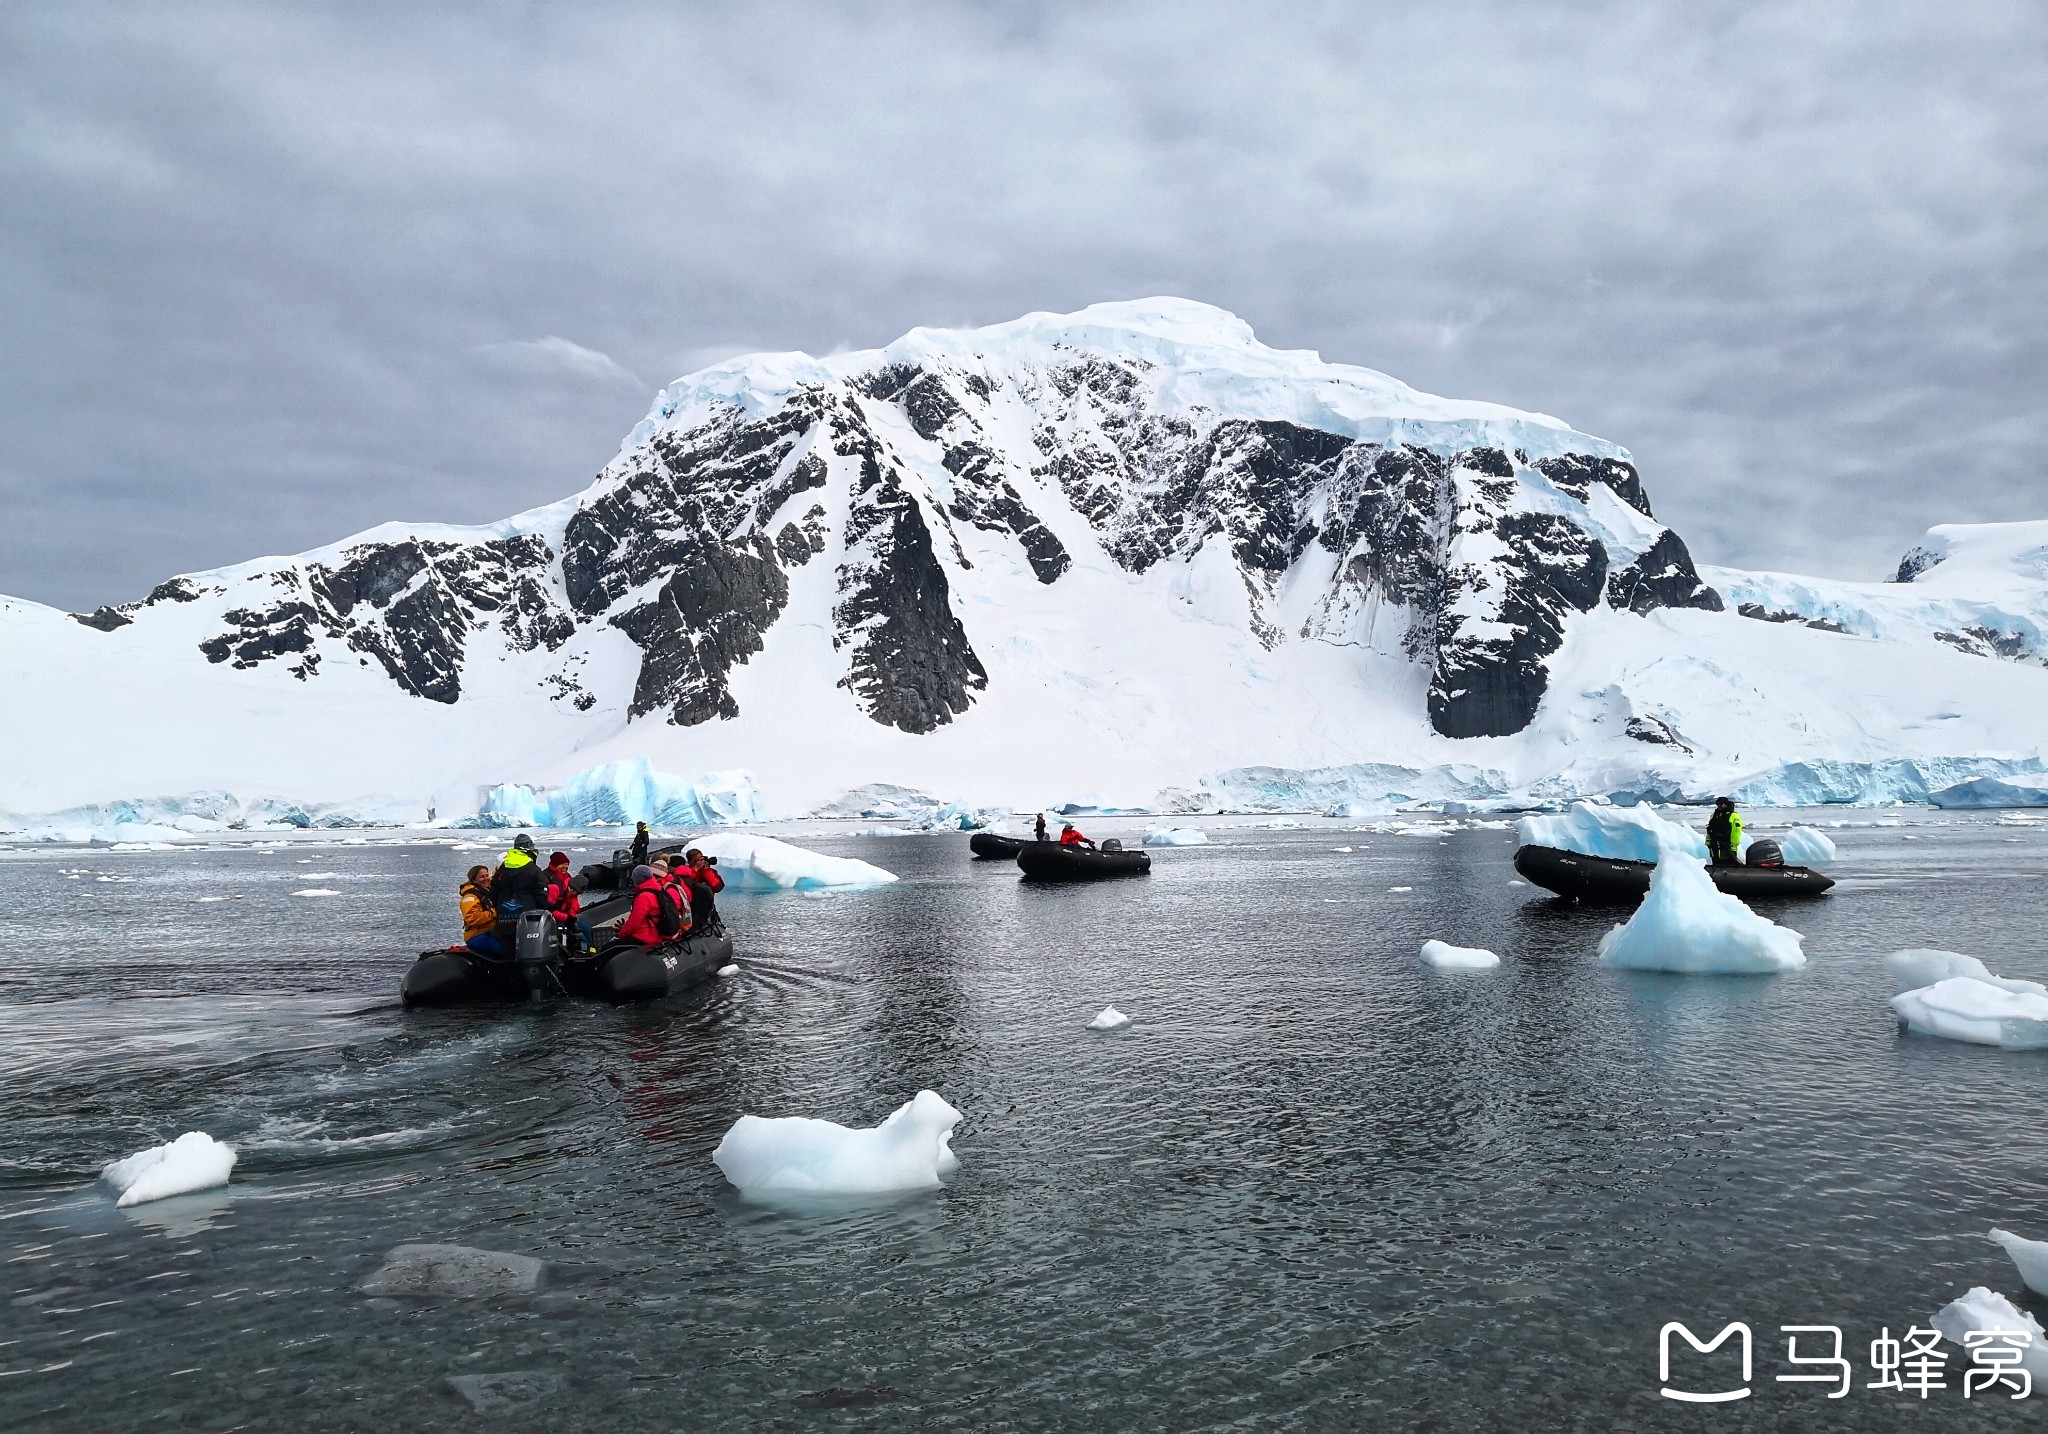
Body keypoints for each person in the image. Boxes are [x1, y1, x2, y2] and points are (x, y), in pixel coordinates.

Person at [492, 833, 550, 914]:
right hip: (528, 916)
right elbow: (541, 893)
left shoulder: (502, 868)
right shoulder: (533, 869)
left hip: (504, 914)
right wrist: (542, 910)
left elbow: (494, 891)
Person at [612, 864, 668, 946]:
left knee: (607, 947)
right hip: (655, 935)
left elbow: (634, 922)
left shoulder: (644, 897)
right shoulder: (658, 891)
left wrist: (620, 934)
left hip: (644, 937)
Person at [681, 847, 725, 936]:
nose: (702, 862)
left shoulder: (709, 871)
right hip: (691, 909)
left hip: (708, 908)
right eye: (698, 860)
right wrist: (695, 869)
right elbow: (686, 883)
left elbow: (717, 887)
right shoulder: (686, 872)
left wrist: (706, 871)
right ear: (690, 862)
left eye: (702, 859)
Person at [459, 865, 501, 956]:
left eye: (487, 875)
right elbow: (472, 918)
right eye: (482, 877)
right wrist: (494, 913)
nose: (486, 879)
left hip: (491, 933)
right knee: (506, 950)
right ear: (474, 880)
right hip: (479, 936)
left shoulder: (487, 892)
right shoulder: (470, 897)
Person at [1706, 797, 1743, 866]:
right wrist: (1708, 842)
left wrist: (1733, 845)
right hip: (1714, 844)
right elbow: (1709, 829)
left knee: (1728, 863)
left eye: (1721, 804)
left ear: (1726, 804)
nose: (1719, 806)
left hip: (1727, 845)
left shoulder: (1733, 816)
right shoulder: (1713, 815)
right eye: (1718, 804)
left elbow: (1736, 831)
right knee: (1716, 861)